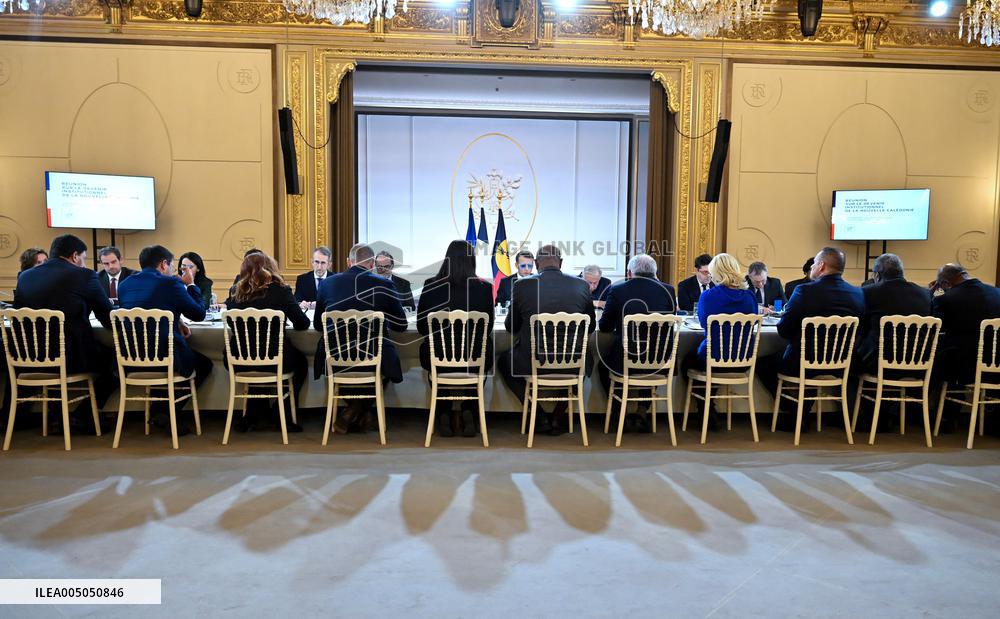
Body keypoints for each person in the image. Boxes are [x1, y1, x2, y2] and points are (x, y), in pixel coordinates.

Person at [13, 234, 116, 432]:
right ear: (75, 255)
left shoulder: (25, 277)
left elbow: (19, 315)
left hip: (31, 356)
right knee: (115, 362)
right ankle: (81, 416)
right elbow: (107, 318)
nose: (83, 262)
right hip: (71, 357)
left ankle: (54, 417)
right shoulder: (84, 275)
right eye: (83, 258)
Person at [758, 247, 865, 431]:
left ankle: (794, 412)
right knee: (809, 364)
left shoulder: (804, 291)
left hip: (801, 361)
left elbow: (783, 330)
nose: (813, 266)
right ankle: (800, 414)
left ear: (821, 266)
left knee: (763, 364)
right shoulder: (857, 293)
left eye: (814, 263)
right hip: (841, 363)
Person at [117, 245, 214, 437]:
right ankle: (166, 412)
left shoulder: (125, 284)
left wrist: (176, 319)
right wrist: (191, 285)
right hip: (166, 356)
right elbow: (198, 314)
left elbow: (144, 309)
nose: (172, 270)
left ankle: (160, 410)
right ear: (163, 264)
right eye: (171, 266)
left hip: (132, 357)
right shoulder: (170, 284)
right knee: (204, 364)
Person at [499, 244, 595, 435]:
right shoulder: (582, 285)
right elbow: (590, 326)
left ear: (535, 264)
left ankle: (539, 415)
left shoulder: (521, 285)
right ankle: (559, 416)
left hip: (531, 362)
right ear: (561, 262)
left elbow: (511, 327)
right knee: (588, 359)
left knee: (503, 361)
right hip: (572, 363)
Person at [313, 243, 407, 434]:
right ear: (372, 263)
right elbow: (401, 325)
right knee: (384, 366)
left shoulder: (327, 283)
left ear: (349, 262)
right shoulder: (385, 284)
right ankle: (360, 413)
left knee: (370, 365)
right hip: (372, 357)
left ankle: (352, 412)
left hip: (336, 357)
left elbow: (317, 324)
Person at [416, 240, 495, 438]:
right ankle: (469, 409)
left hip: (438, 357)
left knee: (433, 357)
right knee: (484, 353)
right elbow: (489, 327)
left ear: (447, 259)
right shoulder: (484, 288)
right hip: (474, 357)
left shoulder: (430, 285)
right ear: (472, 260)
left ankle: (443, 411)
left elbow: (421, 327)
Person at [226, 252, 310, 433]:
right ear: (270, 268)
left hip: (238, 358)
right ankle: (282, 415)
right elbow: (303, 323)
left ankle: (253, 414)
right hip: (275, 357)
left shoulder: (235, 293)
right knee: (301, 363)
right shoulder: (281, 291)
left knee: (254, 363)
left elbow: (230, 323)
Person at [597, 253, 677, 433]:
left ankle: (620, 414)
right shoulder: (669, 290)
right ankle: (642, 411)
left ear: (629, 273)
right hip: (659, 360)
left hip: (625, 359)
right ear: (655, 273)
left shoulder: (618, 290)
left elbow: (605, 326)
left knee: (602, 367)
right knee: (650, 362)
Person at [680, 253, 758, 430]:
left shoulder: (708, 296)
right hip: (742, 360)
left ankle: (705, 408)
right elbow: (753, 322)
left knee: (687, 362)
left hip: (712, 358)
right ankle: (709, 408)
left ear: (716, 272)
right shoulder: (749, 296)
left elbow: (702, 322)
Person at [855, 253, 932, 376]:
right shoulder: (925, 294)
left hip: (878, 362)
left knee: (848, 358)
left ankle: (851, 394)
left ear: (877, 275)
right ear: (901, 272)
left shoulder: (868, 292)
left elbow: (861, 327)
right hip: (917, 361)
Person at [931, 263, 1000, 388]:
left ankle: (925, 404)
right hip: (996, 363)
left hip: (967, 367)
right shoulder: (997, 293)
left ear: (945, 283)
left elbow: (936, 328)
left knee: (933, 354)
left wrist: (930, 295)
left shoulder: (946, 299)